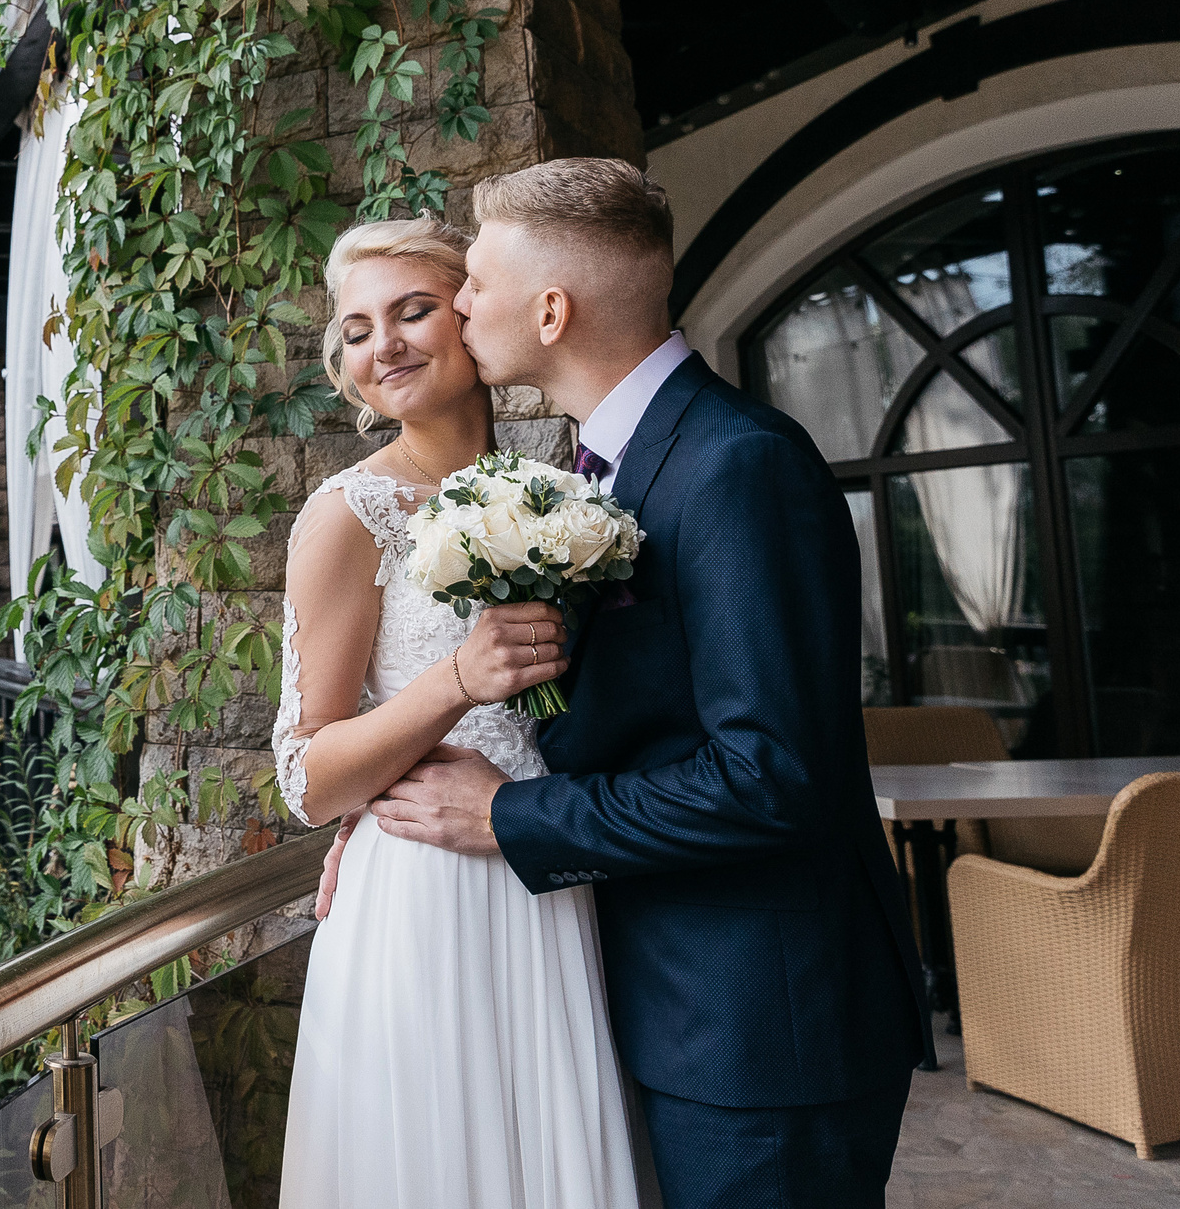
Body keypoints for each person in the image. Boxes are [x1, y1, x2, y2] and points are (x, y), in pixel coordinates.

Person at [359, 158, 927, 1209]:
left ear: (551, 311)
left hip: (760, 1031)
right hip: (667, 1005)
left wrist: (507, 817)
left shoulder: (738, 464)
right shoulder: (603, 468)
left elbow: (769, 776)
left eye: (476, 281)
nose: (461, 302)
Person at [273, 213, 646, 1209]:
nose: (383, 345)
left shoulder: (564, 490)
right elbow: (305, 778)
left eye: (411, 312)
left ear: (470, 319)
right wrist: (455, 682)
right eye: (357, 330)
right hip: (423, 897)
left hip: (549, 873)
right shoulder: (346, 515)